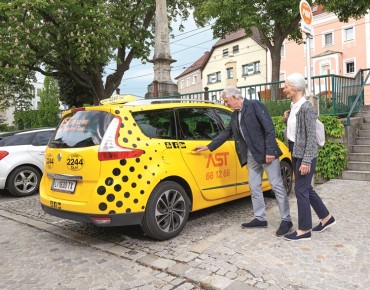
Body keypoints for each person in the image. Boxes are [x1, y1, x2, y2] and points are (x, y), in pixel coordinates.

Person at [193, 86, 293, 237]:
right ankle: (260, 218)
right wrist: (208, 146)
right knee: (254, 186)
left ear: (234, 97)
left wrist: (270, 151)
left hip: (266, 153)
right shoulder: (235, 115)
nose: (226, 104)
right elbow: (227, 133)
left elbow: (269, 128)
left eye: (226, 101)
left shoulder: (254, 105)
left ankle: (286, 220)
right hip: (251, 155)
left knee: (277, 185)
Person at [283, 73, 336, 241]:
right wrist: (287, 119)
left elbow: (311, 138)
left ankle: (304, 229)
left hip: (305, 155)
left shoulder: (306, 108)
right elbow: (297, 131)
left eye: (286, 86)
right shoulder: (294, 106)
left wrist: (306, 161)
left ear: (296, 88)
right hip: (296, 151)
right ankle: (326, 218)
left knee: (300, 190)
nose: (284, 89)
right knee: (306, 188)